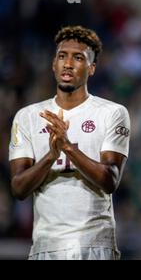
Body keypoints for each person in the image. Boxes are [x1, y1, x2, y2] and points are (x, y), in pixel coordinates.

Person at [9, 25, 130, 260]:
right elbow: (18, 188)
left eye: (78, 58)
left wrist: (67, 148)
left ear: (92, 68)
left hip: (95, 244)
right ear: (54, 64)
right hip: (45, 246)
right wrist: (50, 156)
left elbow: (110, 180)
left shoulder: (112, 113)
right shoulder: (28, 116)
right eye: (62, 56)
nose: (68, 63)